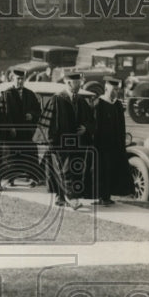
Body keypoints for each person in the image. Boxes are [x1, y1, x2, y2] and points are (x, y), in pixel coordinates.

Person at [34, 71, 95, 209]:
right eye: (77, 83)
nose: (79, 85)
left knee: (74, 170)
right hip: (60, 143)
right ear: (68, 83)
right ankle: (71, 199)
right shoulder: (57, 99)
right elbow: (47, 123)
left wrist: (86, 128)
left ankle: (61, 197)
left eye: (80, 82)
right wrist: (51, 142)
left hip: (77, 143)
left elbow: (91, 120)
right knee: (65, 170)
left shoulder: (80, 101)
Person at [0, 68, 43, 186]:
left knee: (30, 154)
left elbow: (38, 111)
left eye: (22, 79)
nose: (20, 81)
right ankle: (10, 179)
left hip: (27, 132)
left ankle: (32, 178)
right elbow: (2, 114)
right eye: (18, 79)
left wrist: (32, 115)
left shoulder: (30, 94)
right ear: (13, 79)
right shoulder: (6, 94)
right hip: (13, 132)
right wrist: (10, 127)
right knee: (12, 156)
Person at [93, 75, 132, 205]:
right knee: (101, 171)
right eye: (112, 89)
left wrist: (121, 142)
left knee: (111, 170)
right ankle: (101, 197)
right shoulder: (99, 103)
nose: (115, 92)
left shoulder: (118, 105)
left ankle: (107, 196)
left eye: (117, 89)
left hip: (115, 144)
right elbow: (95, 125)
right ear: (106, 88)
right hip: (101, 145)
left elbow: (121, 126)